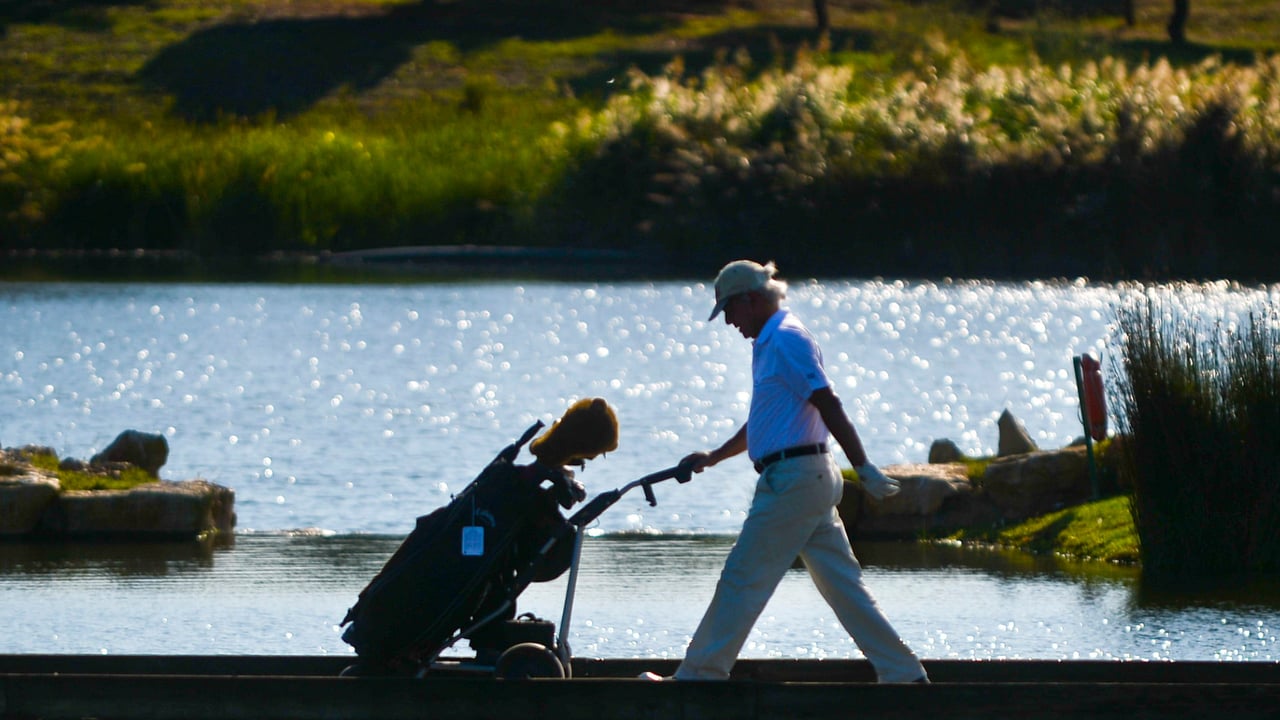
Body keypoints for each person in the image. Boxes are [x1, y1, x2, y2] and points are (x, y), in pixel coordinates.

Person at [659, 259, 928, 683]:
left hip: (794, 482)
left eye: (730, 309)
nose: (728, 321)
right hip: (804, 479)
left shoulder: (785, 339)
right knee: (844, 587)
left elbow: (827, 402)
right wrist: (713, 456)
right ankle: (904, 674)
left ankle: (699, 676)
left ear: (751, 300)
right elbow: (766, 422)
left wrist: (863, 465)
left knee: (742, 578)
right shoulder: (770, 342)